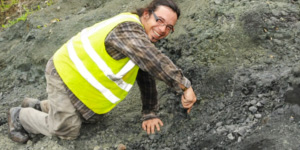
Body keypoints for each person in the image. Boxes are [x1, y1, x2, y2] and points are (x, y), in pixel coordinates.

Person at [7, 0, 197, 143]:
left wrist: (150, 113)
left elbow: (145, 72)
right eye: (160, 20)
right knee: (66, 129)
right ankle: (20, 116)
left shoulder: (140, 39)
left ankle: (39, 106)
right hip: (65, 74)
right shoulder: (128, 29)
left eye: (169, 27)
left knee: (88, 119)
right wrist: (184, 85)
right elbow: (153, 60)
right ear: (146, 14)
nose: (162, 29)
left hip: (80, 84)